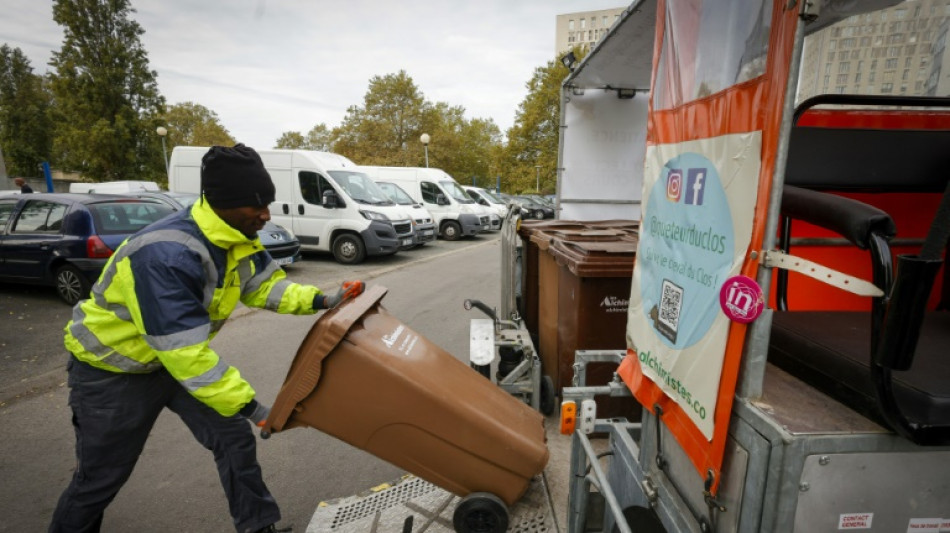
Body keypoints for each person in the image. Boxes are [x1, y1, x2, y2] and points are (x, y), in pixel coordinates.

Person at [49, 144, 365, 533]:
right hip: (113, 373)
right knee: (100, 479)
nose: (266, 215)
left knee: (234, 441)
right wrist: (252, 407)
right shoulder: (165, 255)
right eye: (257, 206)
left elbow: (264, 288)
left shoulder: (235, 234)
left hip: (170, 363)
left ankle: (257, 527)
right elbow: (186, 355)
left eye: (268, 202)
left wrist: (322, 298)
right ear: (221, 203)